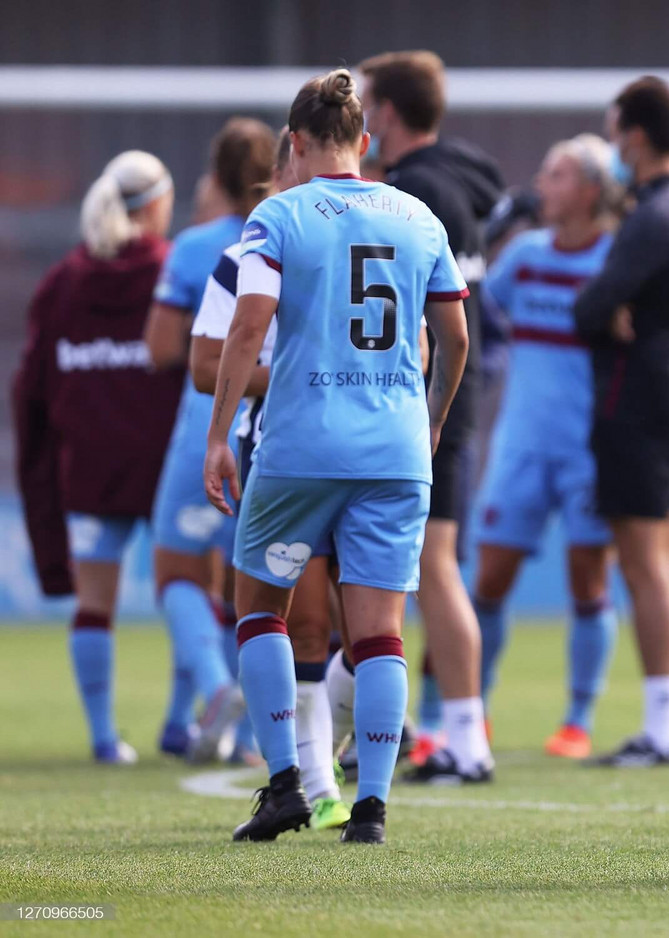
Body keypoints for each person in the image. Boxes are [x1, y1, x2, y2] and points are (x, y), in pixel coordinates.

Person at [203, 68, 469, 844]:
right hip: (393, 447)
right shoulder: (418, 217)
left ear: (294, 142)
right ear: (365, 140)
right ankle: (373, 809)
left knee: (263, 611)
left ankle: (287, 785)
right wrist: (431, 422)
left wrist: (219, 434)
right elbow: (454, 339)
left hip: (300, 447)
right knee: (379, 632)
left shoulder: (278, 216)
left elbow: (249, 326)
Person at [188, 127, 351, 833]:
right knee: (306, 620)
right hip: (286, 454)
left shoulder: (373, 241)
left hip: (373, 453)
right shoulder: (245, 254)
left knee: (371, 625)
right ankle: (315, 781)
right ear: (289, 163)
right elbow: (202, 363)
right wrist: (300, 382)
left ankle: (343, 761)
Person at [358, 50, 504, 784]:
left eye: (367, 106)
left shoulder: (413, 193)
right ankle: (449, 730)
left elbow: (426, 314)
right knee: (429, 564)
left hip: (430, 397)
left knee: (433, 565)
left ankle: (464, 737)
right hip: (456, 386)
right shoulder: (463, 179)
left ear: (386, 112)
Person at [12, 150, 182, 764]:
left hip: (89, 470)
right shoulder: (172, 269)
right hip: (168, 468)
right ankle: (180, 723)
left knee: (95, 602)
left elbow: (29, 384)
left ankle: (105, 737)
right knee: (192, 592)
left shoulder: (62, 282)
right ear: (158, 204)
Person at [470, 135, 620, 760]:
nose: (542, 184)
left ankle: (578, 721)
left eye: (555, 174)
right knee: (489, 579)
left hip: (589, 451)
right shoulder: (524, 255)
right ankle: (469, 710)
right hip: (519, 447)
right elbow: (483, 310)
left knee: (589, 584)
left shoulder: (617, 259)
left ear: (589, 189)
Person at [573, 76, 669, 766]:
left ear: (633, 133)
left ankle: (664, 727)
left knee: (645, 562)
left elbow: (592, 305)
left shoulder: (655, 214)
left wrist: (604, 314)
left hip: (637, 395)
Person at [146, 117, 277, 763]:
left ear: (217, 176)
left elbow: (164, 347)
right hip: (272, 435)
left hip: (206, 429)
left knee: (175, 571)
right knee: (251, 587)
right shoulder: (286, 237)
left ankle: (214, 686)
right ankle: (254, 736)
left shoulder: (198, 248)